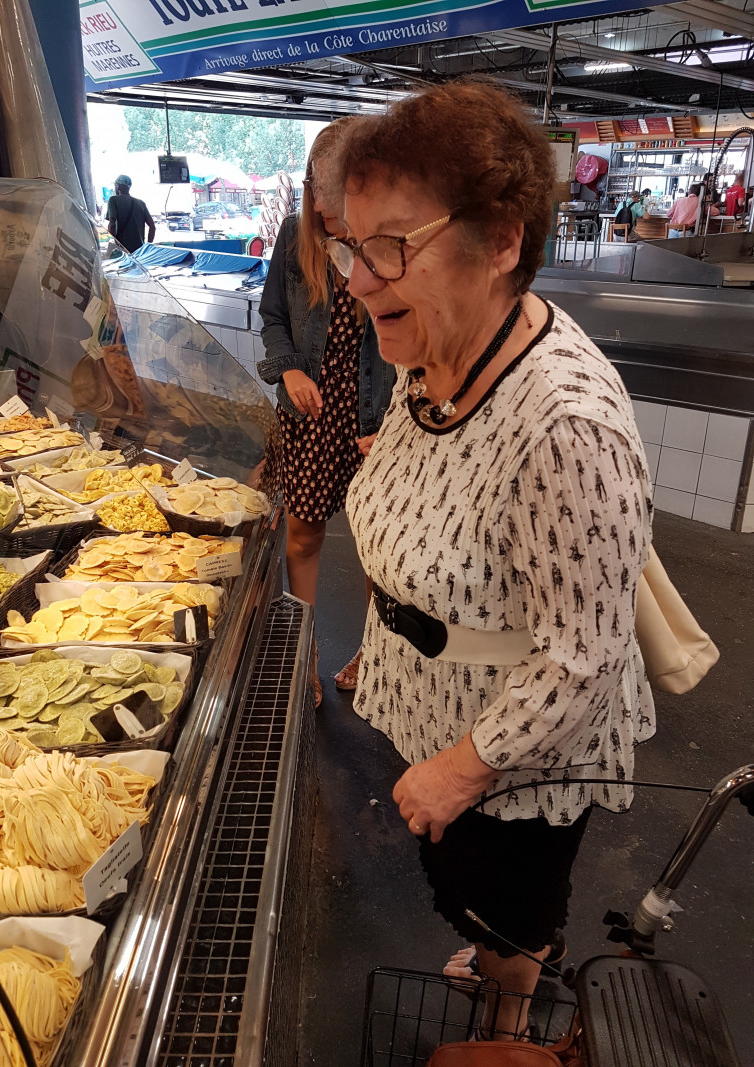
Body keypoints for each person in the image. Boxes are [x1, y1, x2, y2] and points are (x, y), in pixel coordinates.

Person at [327, 77, 656, 1044]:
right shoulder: (433, 356)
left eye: (391, 246)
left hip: (516, 758)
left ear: (502, 239)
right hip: (436, 706)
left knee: (506, 897)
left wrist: (461, 772)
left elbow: (582, 659)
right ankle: (495, 950)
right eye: (351, 245)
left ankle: (512, 997)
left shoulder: (566, 426)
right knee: (461, 882)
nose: (356, 278)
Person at [257, 120, 395, 707]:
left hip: (371, 414)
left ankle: (379, 653)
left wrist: (397, 418)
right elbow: (272, 318)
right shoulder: (295, 236)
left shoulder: (389, 238)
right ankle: (303, 652)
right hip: (311, 410)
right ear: (313, 189)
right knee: (303, 532)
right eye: (325, 201)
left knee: (380, 544)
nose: (334, 221)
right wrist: (288, 368)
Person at [106, 175, 155, 253]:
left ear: (117, 186)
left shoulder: (113, 200)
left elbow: (112, 224)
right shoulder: (141, 203)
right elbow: (152, 226)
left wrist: (114, 243)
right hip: (139, 250)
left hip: (122, 249)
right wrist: (148, 246)